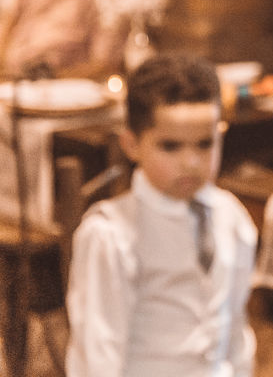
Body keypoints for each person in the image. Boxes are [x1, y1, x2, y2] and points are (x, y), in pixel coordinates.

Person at [65, 53, 258, 377]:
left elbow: (236, 328)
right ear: (132, 144)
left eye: (204, 144)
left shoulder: (233, 217)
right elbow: (97, 354)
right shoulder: (111, 235)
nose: (191, 162)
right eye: (170, 146)